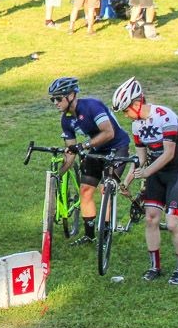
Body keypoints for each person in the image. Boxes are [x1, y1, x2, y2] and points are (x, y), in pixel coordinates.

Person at [112, 78, 178, 285]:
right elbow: (140, 158)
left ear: (137, 103)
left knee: (173, 223)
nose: (125, 115)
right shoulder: (137, 125)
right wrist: (128, 180)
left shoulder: (165, 117)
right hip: (156, 170)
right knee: (150, 218)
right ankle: (154, 266)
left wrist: (146, 173)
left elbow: (168, 154)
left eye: (126, 110)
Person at [48, 76, 131, 245]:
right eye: (52, 99)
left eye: (58, 98)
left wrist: (84, 145)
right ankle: (89, 235)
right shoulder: (66, 119)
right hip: (96, 150)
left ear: (71, 95)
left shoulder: (92, 106)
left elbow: (109, 133)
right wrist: (59, 173)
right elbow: (71, 152)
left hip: (117, 147)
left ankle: (105, 235)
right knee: (85, 190)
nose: (55, 102)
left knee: (105, 188)